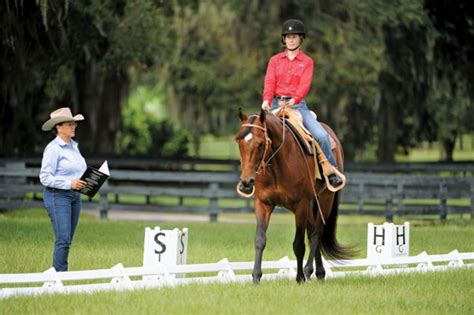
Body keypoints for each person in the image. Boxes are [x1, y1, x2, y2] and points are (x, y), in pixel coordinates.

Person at [261, 19, 343, 187]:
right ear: (283, 39)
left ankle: (331, 171)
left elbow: (305, 85)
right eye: (288, 36)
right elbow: (269, 82)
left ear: (301, 39)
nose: (291, 40)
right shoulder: (275, 60)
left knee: (321, 136)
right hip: (276, 105)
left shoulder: (307, 62)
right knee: (254, 135)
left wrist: (295, 99)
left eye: (294, 36)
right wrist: (266, 101)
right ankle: (253, 177)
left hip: (297, 106)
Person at [39, 107, 88, 271]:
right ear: (59, 127)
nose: (73, 127)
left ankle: (59, 274)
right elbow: (45, 177)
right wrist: (69, 184)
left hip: (75, 197)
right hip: (57, 196)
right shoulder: (53, 149)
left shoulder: (74, 146)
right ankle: (59, 276)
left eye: (74, 124)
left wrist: (87, 180)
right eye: (69, 124)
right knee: (63, 239)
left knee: (67, 239)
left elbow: (76, 171)